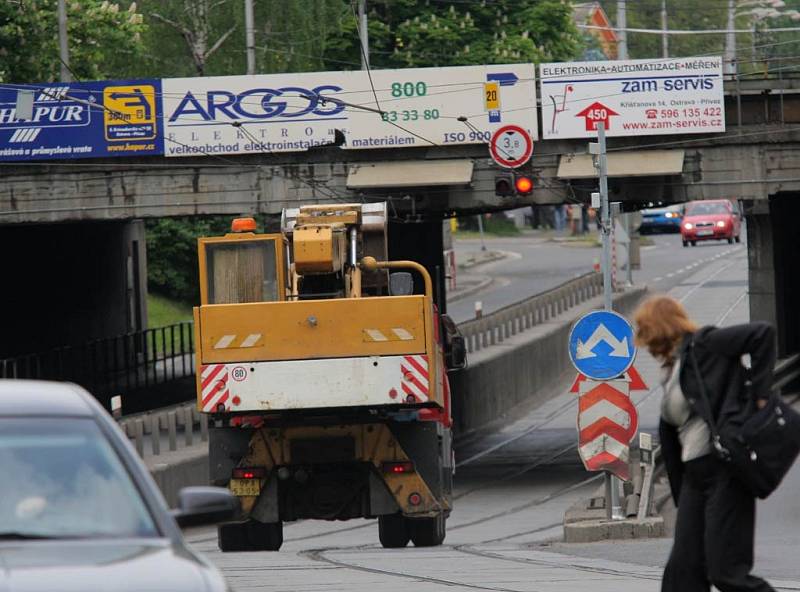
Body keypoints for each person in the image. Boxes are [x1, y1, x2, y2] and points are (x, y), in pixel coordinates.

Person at [633, 295, 776, 592]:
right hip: (695, 480)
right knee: (682, 575)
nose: (644, 341)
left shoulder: (708, 343)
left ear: (659, 328)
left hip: (724, 471)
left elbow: (763, 333)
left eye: (645, 331)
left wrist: (761, 395)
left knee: (726, 572)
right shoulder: (672, 369)